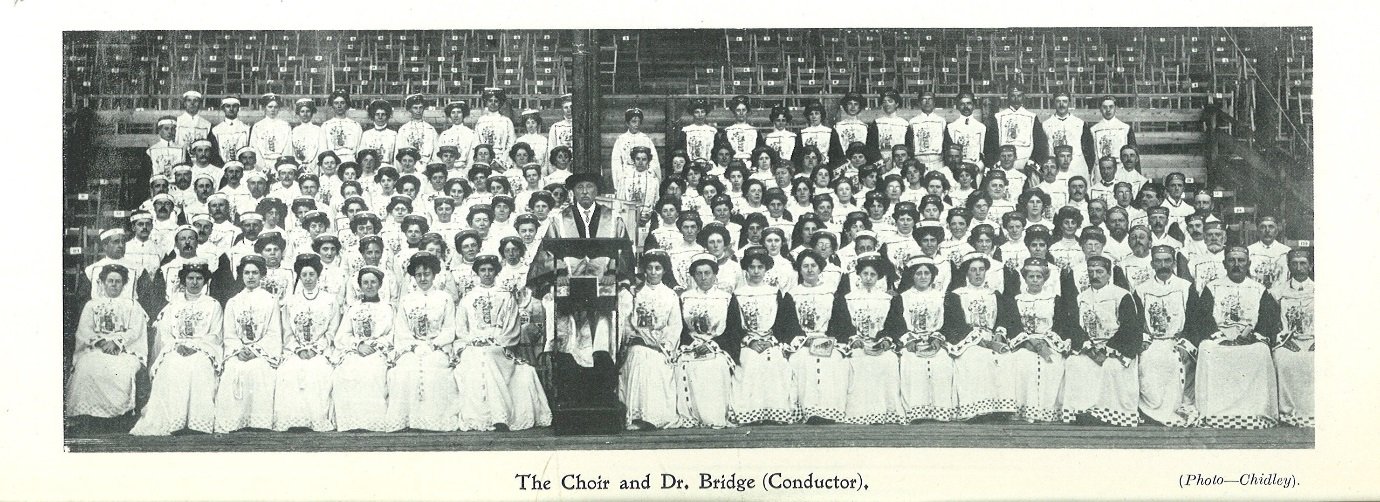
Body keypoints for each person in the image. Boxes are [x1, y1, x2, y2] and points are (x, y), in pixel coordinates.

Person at [453, 254, 552, 432]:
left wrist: (497, 340)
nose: (487, 273)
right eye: (483, 270)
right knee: (478, 356)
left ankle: (500, 416)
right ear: (477, 273)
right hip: (473, 345)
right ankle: (480, 416)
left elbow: (513, 328)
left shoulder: (506, 297)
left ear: (496, 272)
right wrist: (473, 340)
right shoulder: (468, 298)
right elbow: (461, 328)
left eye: (491, 270)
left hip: (500, 346)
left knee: (490, 354)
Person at [1188, 246, 1282, 428]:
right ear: (1224, 264)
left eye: (1241, 261)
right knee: (1206, 349)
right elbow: (1203, 317)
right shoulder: (1212, 287)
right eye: (1232, 260)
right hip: (1220, 336)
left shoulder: (1258, 289)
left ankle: (1255, 412)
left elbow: (1267, 320)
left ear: (1249, 264)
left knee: (1261, 351)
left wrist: (1252, 336)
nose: (1236, 265)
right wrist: (1220, 337)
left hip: (1249, 337)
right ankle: (1212, 413)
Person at [131, 260, 223, 436]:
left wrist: (197, 347)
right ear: (183, 280)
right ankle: (174, 420)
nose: (194, 282)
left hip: (202, 350)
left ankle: (197, 422)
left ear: (205, 281)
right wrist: (177, 346)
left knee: (200, 366)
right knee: (171, 366)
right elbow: (165, 334)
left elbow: (215, 335)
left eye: (199, 278)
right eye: (190, 278)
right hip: (176, 348)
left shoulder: (213, 305)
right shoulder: (173, 305)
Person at [1061, 256, 1145, 426]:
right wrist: (1090, 350)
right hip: (1090, 348)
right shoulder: (1081, 297)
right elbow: (1074, 326)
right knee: (1075, 363)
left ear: (1109, 274)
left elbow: (1129, 327)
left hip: (1117, 347)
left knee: (1111, 366)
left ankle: (1110, 413)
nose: (1095, 276)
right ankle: (1082, 411)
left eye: (1099, 272)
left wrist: (1107, 351)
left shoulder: (1122, 295)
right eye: (1091, 272)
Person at [66, 264, 149, 426]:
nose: (113, 284)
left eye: (118, 281)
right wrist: (103, 342)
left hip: (123, 350)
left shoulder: (132, 305)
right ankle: (86, 413)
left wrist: (117, 342)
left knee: (123, 369)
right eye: (110, 281)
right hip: (97, 348)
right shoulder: (92, 305)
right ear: (102, 283)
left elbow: (135, 331)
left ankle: (117, 415)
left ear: (124, 284)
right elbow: (85, 329)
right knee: (86, 366)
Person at [386, 251, 460, 431]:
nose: (422, 278)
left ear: (434, 275)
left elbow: (449, 328)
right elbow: (401, 330)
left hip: (438, 346)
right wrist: (414, 345)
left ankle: (435, 419)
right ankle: (410, 419)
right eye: (418, 274)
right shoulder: (406, 299)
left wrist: (433, 344)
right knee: (405, 370)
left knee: (436, 370)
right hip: (412, 347)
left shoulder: (445, 298)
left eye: (426, 274)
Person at [725, 251, 801, 424]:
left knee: (775, 361)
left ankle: (775, 412)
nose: (756, 271)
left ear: (766, 269)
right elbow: (733, 326)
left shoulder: (776, 293)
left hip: (771, 341)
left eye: (760, 267)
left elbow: (785, 325)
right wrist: (749, 341)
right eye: (752, 267)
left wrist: (771, 341)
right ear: (746, 270)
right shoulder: (738, 294)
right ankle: (751, 413)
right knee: (750, 361)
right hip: (748, 343)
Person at [212, 256, 282, 433]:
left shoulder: (271, 300)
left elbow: (273, 333)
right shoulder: (233, 302)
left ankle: (258, 421)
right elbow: (229, 334)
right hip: (239, 352)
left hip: (261, 353)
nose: (251, 277)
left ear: (262, 275)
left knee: (258, 369)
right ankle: (234, 421)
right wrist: (239, 350)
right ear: (241, 275)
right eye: (247, 273)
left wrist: (255, 350)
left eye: (255, 273)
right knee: (235, 369)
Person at [945, 253, 1018, 421]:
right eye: (973, 270)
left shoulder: (994, 294)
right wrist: (980, 341)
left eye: (981, 270)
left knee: (1005, 358)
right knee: (978, 357)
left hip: (991, 338)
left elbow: (1003, 318)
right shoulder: (957, 295)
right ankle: (977, 409)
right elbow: (955, 325)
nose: (978, 274)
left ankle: (1000, 409)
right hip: (968, 340)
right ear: (966, 273)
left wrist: (999, 333)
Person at [834, 253, 904, 424]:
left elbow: (895, 325)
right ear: (859, 275)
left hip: (879, 344)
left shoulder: (888, 299)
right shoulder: (848, 298)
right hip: (857, 344)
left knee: (888, 360)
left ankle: (885, 410)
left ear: (878, 277)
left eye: (872, 275)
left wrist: (886, 340)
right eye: (865, 274)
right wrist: (853, 339)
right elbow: (841, 325)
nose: (868, 278)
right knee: (857, 360)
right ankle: (860, 412)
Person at [617, 250, 683, 430]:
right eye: (650, 268)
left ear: (664, 271)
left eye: (658, 268)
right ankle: (638, 416)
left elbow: (675, 325)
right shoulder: (635, 293)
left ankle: (655, 416)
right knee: (640, 356)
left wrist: (665, 345)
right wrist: (635, 336)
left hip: (661, 346)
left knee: (656, 362)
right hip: (639, 342)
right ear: (644, 270)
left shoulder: (670, 295)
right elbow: (627, 322)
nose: (653, 272)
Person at [1005, 257, 1077, 423]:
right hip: (1024, 344)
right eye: (1031, 277)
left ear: (1045, 278)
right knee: (1022, 363)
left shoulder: (1055, 299)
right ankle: (1024, 409)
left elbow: (1060, 325)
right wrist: (1028, 342)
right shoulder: (1017, 300)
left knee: (1052, 365)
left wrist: (1046, 342)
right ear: (1025, 278)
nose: (1035, 281)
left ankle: (1046, 410)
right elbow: (1013, 325)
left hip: (1048, 342)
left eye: (1039, 277)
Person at [1135, 245, 1199, 427]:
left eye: (1167, 261)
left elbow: (1194, 320)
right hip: (1152, 340)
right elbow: (1138, 320)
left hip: (1177, 341)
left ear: (1173, 263)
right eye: (1158, 261)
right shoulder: (1142, 289)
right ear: (1152, 263)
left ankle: (1176, 407)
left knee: (1175, 360)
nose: (1163, 265)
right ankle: (1151, 410)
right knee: (1147, 359)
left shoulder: (1185, 287)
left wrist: (1185, 344)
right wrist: (1144, 341)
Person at [273, 254, 339, 432]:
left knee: (318, 371)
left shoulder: (330, 300)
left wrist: (317, 348)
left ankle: (315, 419)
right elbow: (287, 331)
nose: (308, 279)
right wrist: (298, 349)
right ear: (299, 277)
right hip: (297, 350)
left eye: (312, 275)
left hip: (321, 350)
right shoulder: (291, 301)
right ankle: (293, 420)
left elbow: (333, 330)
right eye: (304, 275)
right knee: (288, 371)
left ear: (318, 276)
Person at [329, 266, 394, 431]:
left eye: (373, 282)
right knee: (345, 372)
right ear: (360, 285)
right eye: (365, 282)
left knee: (373, 372)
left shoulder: (388, 308)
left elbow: (392, 335)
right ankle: (351, 422)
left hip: (378, 351)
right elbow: (342, 336)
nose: (369, 286)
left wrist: (374, 345)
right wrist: (358, 345)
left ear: (380, 285)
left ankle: (373, 422)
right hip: (356, 351)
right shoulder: (353, 308)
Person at [1271, 248, 1314, 428]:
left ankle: (1313, 410)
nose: (1299, 267)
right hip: (1288, 341)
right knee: (1282, 359)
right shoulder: (1276, 292)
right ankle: (1287, 412)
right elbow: (1272, 322)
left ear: (1310, 266)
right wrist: (1283, 341)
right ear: (1288, 266)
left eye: (1303, 263)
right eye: (1294, 264)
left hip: (1314, 340)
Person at [986, 84, 1047, 168]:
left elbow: (1039, 143)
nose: (1016, 99)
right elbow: (991, 143)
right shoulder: (998, 116)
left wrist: (1033, 160)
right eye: (1013, 96)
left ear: (1023, 97)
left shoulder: (1032, 117)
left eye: (1019, 96)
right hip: (1003, 163)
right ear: (1008, 97)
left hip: (1026, 162)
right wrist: (996, 161)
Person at [1042, 91, 1093, 181]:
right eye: (1058, 101)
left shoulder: (1079, 123)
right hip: (1056, 168)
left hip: (1076, 166)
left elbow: (1089, 149)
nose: (1062, 105)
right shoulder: (1046, 124)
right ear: (1054, 103)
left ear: (1069, 102)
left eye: (1065, 101)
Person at [1090, 95, 1137, 165]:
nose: (1108, 110)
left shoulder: (1125, 128)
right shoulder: (1093, 130)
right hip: (1101, 169)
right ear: (1100, 109)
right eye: (1105, 107)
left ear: (1115, 108)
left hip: (1120, 169)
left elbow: (1134, 154)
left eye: (1111, 107)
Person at [1247, 216, 1292, 289]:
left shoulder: (1286, 251)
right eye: (1263, 227)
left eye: (1271, 227)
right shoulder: (1250, 251)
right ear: (1258, 231)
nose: (1267, 230)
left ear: (1276, 231)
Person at [474, 88, 516, 165]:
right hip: (484, 159)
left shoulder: (506, 121)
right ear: (486, 102)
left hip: (502, 159)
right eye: (490, 101)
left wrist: (503, 159)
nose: (493, 103)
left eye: (496, 101)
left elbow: (511, 143)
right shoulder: (481, 121)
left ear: (500, 103)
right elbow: (477, 142)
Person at [945, 92, 987, 166]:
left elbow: (986, 153)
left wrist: (979, 166)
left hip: (976, 168)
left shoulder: (982, 128)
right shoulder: (951, 127)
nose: (966, 107)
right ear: (958, 106)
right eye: (962, 104)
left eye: (969, 103)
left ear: (974, 106)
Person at [320, 89, 363, 162]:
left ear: (347, 105)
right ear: (332, 105)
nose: (339, 106)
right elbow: (323, 148)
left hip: (350, 161)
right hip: (332, 162)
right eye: (336, 103)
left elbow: (359, 149)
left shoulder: (355, 126)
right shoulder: (326, 126)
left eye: (342, 103)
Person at [799, 101, 844, 166]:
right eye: (811, 114)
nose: (814, 117)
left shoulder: (830, 132)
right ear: (808, 116)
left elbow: (837, 155)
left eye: (816, 113)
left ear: (821, 115)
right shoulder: (802, 133)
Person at [396, 93, 437, 163]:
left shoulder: (430, 129)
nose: (418, 111)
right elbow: (399, 153)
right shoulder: (403, 130)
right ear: (410, 110)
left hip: (426, 166)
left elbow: (436, 153)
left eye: (420, 107)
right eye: (415, 108)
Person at [548, 94, 574, 161]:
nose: (569, 110)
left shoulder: (582, 127)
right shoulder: (556, 127)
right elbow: (551, 149)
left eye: (571, 107)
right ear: (562, 109)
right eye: (566, 107)